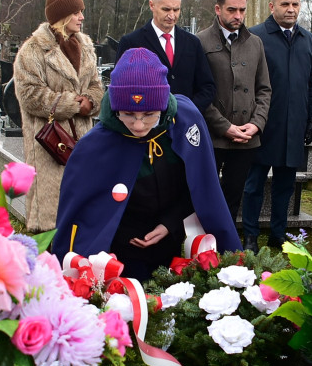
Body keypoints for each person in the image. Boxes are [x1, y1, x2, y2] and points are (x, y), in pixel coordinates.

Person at [53, 48, 239, 279]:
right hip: (122, 250)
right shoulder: (96, 145)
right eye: (128, 114)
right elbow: (82, 212)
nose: (139, 125)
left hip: (170, 238)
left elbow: (201, 185)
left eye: (150, 114)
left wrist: (170, 224)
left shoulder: (184, 122)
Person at [14, 0, 104, 233]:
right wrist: (72, 104)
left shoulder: (85, 46)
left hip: (82, 140)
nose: (82, 17)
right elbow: (29, 95)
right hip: (49, 145)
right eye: (76, 13)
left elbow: (96, 84)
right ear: (61, 17)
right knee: (51, 215)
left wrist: (91, 101)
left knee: (81, 210)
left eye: (81, 11)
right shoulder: (32, 50)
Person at [242, 0, 312, 252]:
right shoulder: (255, 36)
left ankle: (278, 232)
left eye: (295, 4)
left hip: (295, 124)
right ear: (271, 6)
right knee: (254, 183)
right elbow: (247, 83)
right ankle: (251, 234)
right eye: (285, 4)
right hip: (264, 124)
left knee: (285, 184)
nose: (291, 9)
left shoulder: (309, 40)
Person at [197, 0, 271, 223]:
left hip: (246, 138)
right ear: (218, 9)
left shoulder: (255, 43)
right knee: (205, 194)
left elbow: (264, 89)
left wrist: (256, 124)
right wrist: (224, 127)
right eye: (232, 10)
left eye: (242, 10)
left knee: (233, 197)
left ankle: (226, 248)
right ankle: (201, 246)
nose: (238, 16)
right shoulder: (200, 42)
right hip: (212, 135)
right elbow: (198, 93)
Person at [117, 0, 216, 114]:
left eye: (176, 9)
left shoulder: (192, 43)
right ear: (152, 5)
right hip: (147, 128)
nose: (172, 15)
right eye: (166, 9)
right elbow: (120, 89)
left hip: (185, 125)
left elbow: (207, 87)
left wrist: (187, 111)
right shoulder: (131, 43)